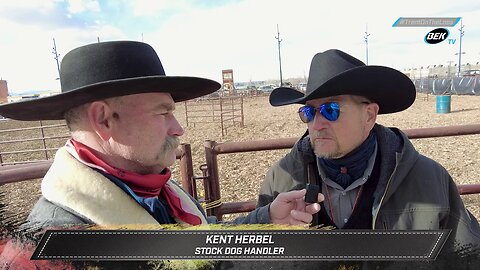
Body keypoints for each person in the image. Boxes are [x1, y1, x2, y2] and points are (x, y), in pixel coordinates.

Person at [0, 41, 322, 268]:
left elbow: (203, 244)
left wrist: (267, 218)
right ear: (104, 119)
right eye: (163, 112)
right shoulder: (48, 253)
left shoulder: (160, 191)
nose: (178, 128)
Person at [257, 49, 480, 258]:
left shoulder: (429, 180)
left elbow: (468, 256)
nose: (316, 124)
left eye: (330, 109)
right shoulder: (282, 181)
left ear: (369, 115)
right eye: (309, 112)